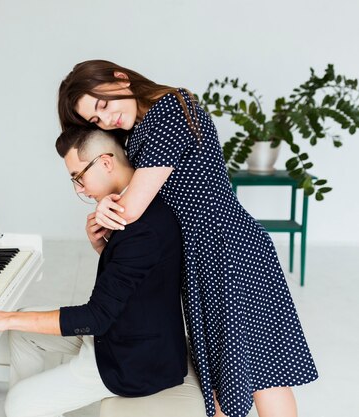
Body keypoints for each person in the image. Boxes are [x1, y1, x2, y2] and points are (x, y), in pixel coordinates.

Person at [57, 59, 319, 417]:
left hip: (230, 250)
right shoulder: (139, 133)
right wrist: (104, 229)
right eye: (95, 121)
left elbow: (131, 209)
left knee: (262, 372)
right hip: (202, 259)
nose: (106, 119)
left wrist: (106, 206)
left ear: (120, 78)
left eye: (103, 105)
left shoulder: (171, 108)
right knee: (222, 374)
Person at [0, 127, 189, 417]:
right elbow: (140, 279)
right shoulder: (141, 206)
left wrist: (3, 317)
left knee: (18, 401)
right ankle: (37, 403)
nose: (79, 189)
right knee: (23, 335)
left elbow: (96, 317)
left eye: (79, 177)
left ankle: (27, 405)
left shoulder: (142, 229)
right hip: (125, 333)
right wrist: (102, 247)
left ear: (105, 162)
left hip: (134, 359)